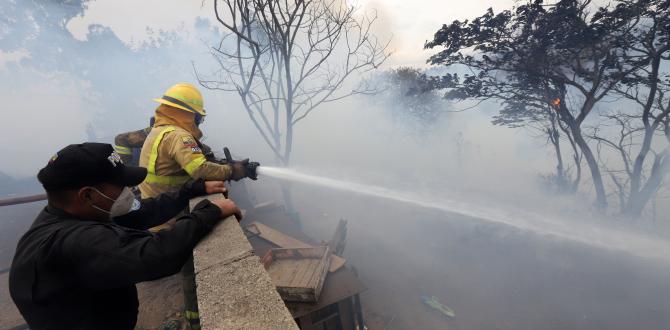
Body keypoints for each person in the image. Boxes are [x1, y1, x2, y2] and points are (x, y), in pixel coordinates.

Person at [9, 143, 242, 330]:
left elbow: (143, 213)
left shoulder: (81, 212)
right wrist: (210, 212)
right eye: (120, 185)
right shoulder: (74, 241)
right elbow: (155, 255)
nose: (127, 191)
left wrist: (192, 191)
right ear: (88, 195)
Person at [138, 82, 256, 199]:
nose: (199, 122)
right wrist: (232, 170)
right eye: (198, 117)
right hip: (170, 207)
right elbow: (200, 169)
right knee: (223, 207)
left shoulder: (159, 130)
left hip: (154, 200)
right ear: (187, 114)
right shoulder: (179, 136)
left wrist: (222, 164)